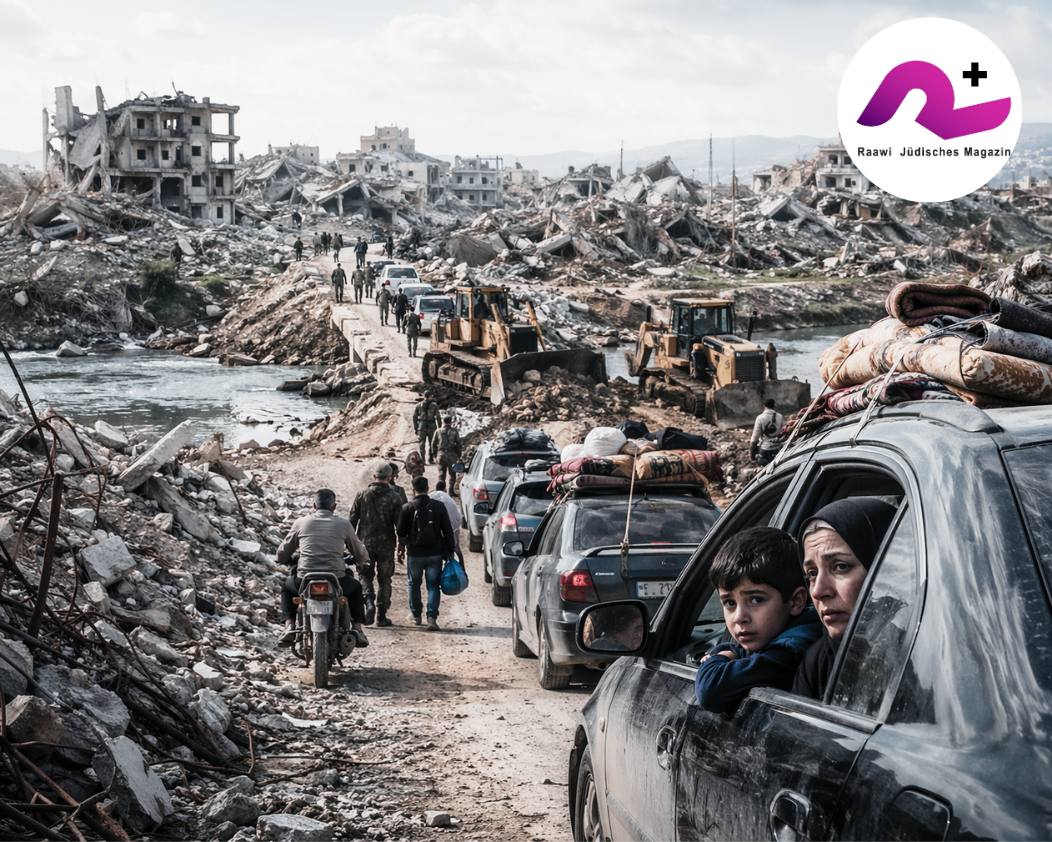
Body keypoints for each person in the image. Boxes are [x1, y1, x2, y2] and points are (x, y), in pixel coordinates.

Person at [694, 528, 821, 714]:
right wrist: (727, 652)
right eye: (729, 603)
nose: (739, 617)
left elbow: (710, 690)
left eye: (756, 600)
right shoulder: (776, 638)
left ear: (795, 602)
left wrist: (722, 656)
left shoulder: (790, 653)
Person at [792, 498, 898, 701]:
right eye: (812, 573)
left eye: (840, 566)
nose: (818, 591)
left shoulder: (923, 658)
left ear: (886, 569)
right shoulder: (817, 663)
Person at [275, 488, 370, 648]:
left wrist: (287, 559)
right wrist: (360, 559)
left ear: (314, 505)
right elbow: (361, 554)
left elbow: (282, 554)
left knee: (286, 588)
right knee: (356, 588)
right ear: (334, 507)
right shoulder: (344, 525)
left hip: (305, 579)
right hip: (337, 580)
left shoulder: (300, 523)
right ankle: (358, 629)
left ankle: (290, 625)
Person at [348, 463, 404, 627]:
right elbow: (400, 525)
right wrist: (402, 545)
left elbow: (351, 522)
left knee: (365, 575)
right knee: (385, 578)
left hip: (364, 543)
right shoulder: (395, 497)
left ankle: (369, 601)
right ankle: (381, 615)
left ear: (374, 477)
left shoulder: (361, 495)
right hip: (386, 543)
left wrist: (349, 545)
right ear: (389, 477)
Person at [397, 475, 455, 630]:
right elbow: (447, 530)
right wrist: (450, 549)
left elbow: (400, 531)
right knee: (433, 586)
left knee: (413, 584)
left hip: (415, 553)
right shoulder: (438, 506)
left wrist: (403, 546)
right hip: (434, 553)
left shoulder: (407, 507)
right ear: (428, 489)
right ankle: (431, 618)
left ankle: (416, 616)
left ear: (412, 489)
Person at [432, 480, 464, 565]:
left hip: (434, 535)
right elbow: (458, 519)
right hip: (451, 532)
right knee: (458, 554)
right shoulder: (449, 499)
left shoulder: (430, 497)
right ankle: (462, 573)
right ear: (445, 490)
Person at [750, 398, 784, 466]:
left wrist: (752, 454)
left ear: (764, 406)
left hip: (765, 449)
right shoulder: (780, 416)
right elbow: (784, 432)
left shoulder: (760, 418)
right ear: (774, 406)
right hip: (778, 449)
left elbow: (755, 437)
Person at [432, 415, 462, 490]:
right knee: (452, 474)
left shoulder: (437, 431)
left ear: (443, 422)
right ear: (451, 422)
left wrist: (434, 456)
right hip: (451, 455)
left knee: (441, 474)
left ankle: (441, 490)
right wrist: (458, 456)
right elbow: (458, 444)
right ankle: (450, 490)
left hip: (441, 454)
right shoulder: (454, 431)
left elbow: (433, 444)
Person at [413, 391, 440, 463]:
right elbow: (438, 417)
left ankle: (422, 459)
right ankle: (431, 459)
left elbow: (414, 417)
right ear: (430, 396)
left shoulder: (419, 405)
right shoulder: (434, 405)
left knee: (422, 442)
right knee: (432, 442)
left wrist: (415, 428)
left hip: (421, 425)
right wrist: (439, 427)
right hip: (431, 425)